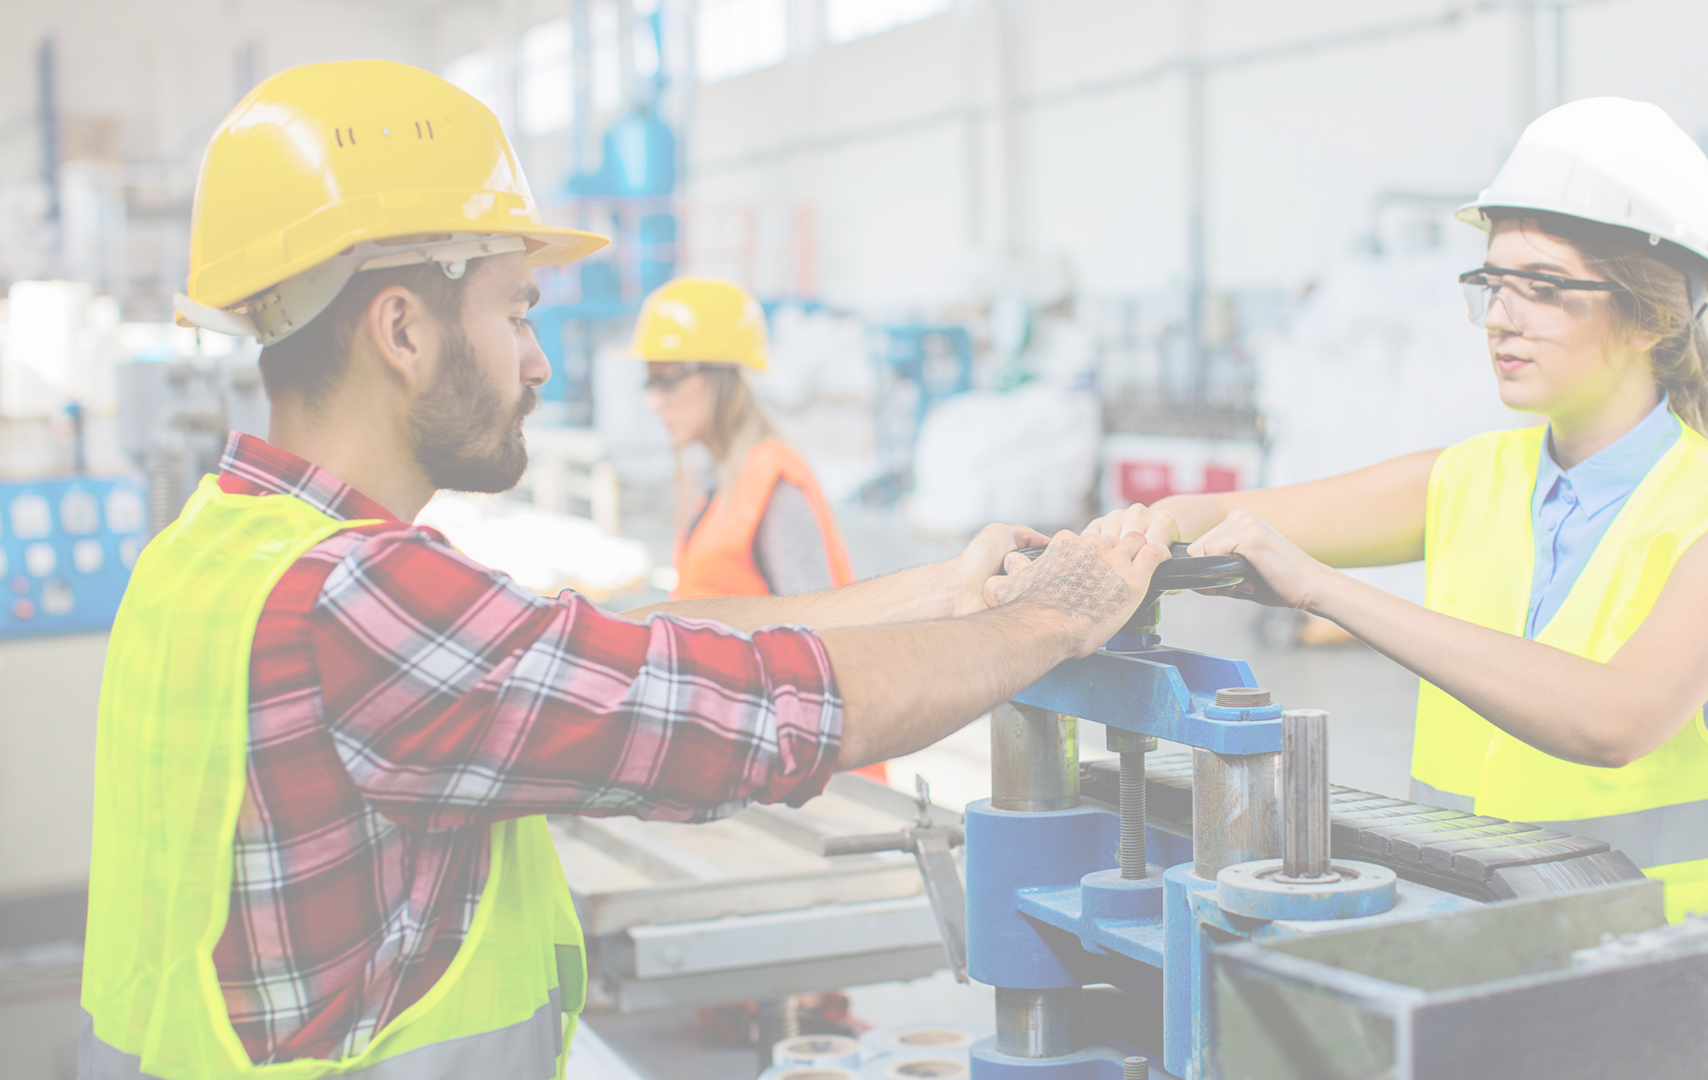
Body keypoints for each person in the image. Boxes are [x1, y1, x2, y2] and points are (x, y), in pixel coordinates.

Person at [84, 60, 1168, 1078]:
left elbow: (613, 646)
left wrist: (939, 594)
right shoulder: (354, 597)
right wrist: (1044, 624)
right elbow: (741, 709)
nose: (540, 360)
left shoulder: (215, 551)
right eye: (515, 311)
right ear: (403, 330)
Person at [1078, 98, 1708, 929]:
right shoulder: (1467, 478)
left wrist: (1324, 590)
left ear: (1652, 315)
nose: (1500, 317)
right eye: (1492, 284)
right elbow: (1217, 512)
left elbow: (1617, 720)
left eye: (1542, 287)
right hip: (1476, 944)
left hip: (1667, 969)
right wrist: (1147, 527)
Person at [634, 276, 855, 601]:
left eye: (667, 381)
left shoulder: (773, 484)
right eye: (649, 384)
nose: (653, 401)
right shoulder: (726, 479)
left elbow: (821, 629)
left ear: (722, 378)